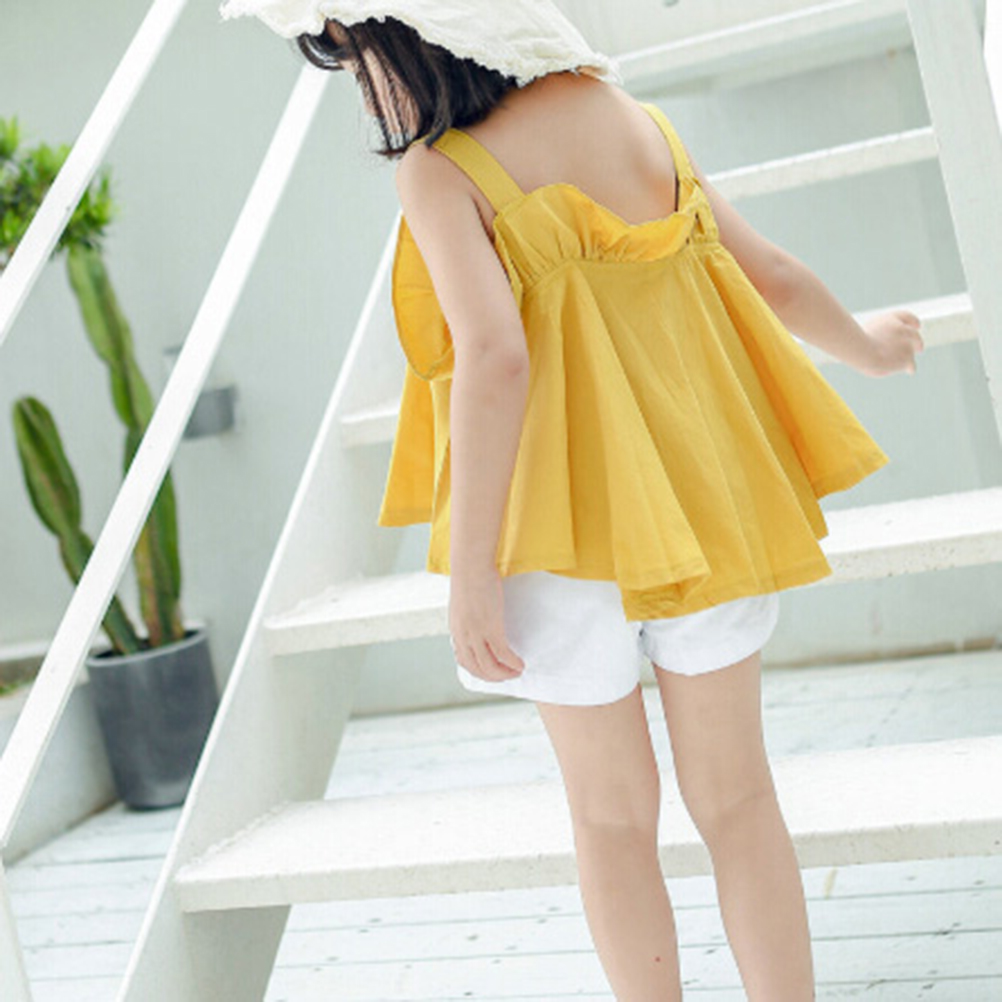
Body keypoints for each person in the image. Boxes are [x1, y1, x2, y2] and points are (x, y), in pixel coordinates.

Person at [223, 3, 924, 999]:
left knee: (609, 817)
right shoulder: (632, 119)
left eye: (354, 58)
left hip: (557, 538)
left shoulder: (441, 171)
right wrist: (870, 347)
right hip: (706, 510)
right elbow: (768, 274)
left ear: (409, 40)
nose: (360, 87)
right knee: (739, 799)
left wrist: (471, 574)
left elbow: (494, 360)